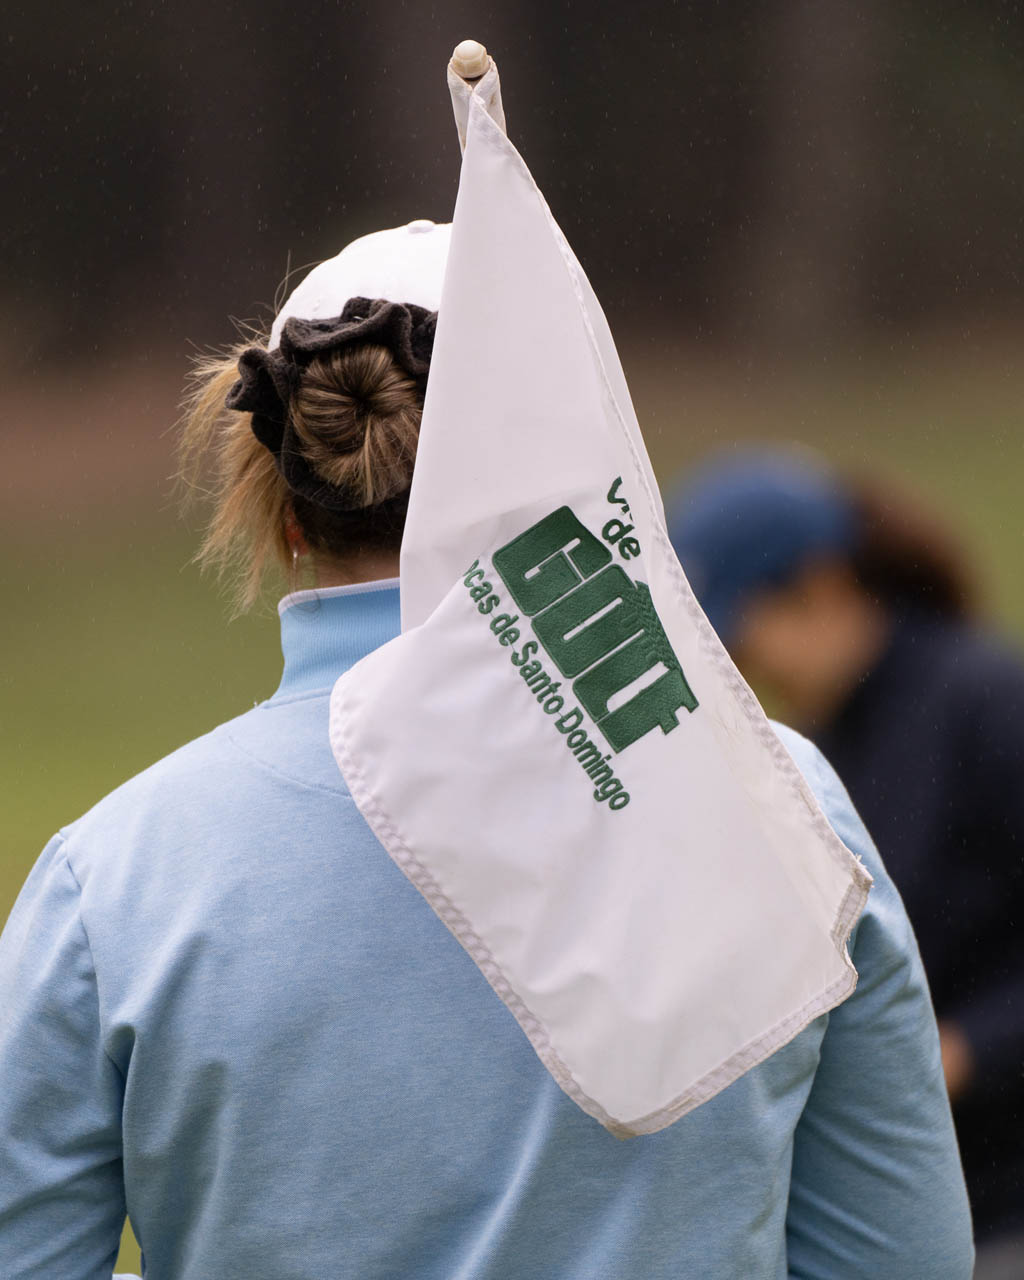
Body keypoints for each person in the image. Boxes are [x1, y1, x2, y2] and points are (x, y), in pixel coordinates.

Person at [0, 228, 973, 1280]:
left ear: (286, 518)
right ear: (563, 474)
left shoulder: (116, 880)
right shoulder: (777, 798)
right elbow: (899, 1256)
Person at [669, 448, 1024, 1267]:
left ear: (821, 585)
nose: (741, 672)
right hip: (910, 1206)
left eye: (741, 637)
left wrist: (963, 1050)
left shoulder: (987, 704)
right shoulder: (821, 746)